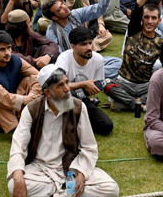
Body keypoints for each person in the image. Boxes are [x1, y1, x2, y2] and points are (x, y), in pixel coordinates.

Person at [7, 64, 120, 197]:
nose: (67, 89)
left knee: (110, 189)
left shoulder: (78, 107)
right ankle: (65, 193)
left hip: (71, 166)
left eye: (67, 83)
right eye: (60, 85)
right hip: (40, 169)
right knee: (14, 185)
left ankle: (56, 193)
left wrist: (81, 172)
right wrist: (18, 176)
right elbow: (18, 147)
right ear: (48, 92)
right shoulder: (32, 110)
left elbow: (89, 147)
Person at [0, 30, 42, 132]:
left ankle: (27, 117)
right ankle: (16, 128)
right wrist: (22, 100)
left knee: (32, 79)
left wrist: (31, 96)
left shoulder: (16, 60)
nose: (7, 53)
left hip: (13, 103)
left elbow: (39, 76)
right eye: (2, 49)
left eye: (9, 48)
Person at [55, 27, 113, 136]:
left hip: (82, 99)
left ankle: (78, 120)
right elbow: (57, 86)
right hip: (62, 98)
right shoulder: (64, 58)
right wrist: (84, 84)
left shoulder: (98, 59)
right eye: (83, 44)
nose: (89, 47)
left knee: (106, 126)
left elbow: (98, 84)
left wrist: (98, 88)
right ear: (73, 46)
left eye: (90, 43)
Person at [44, 0, 112, 52]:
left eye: (62, 4)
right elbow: (58, 51)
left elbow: (99, 9)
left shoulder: (75, 14)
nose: (65, 8)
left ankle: (89, 47)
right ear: (54, 17)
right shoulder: (52, 32)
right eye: (60, 9)